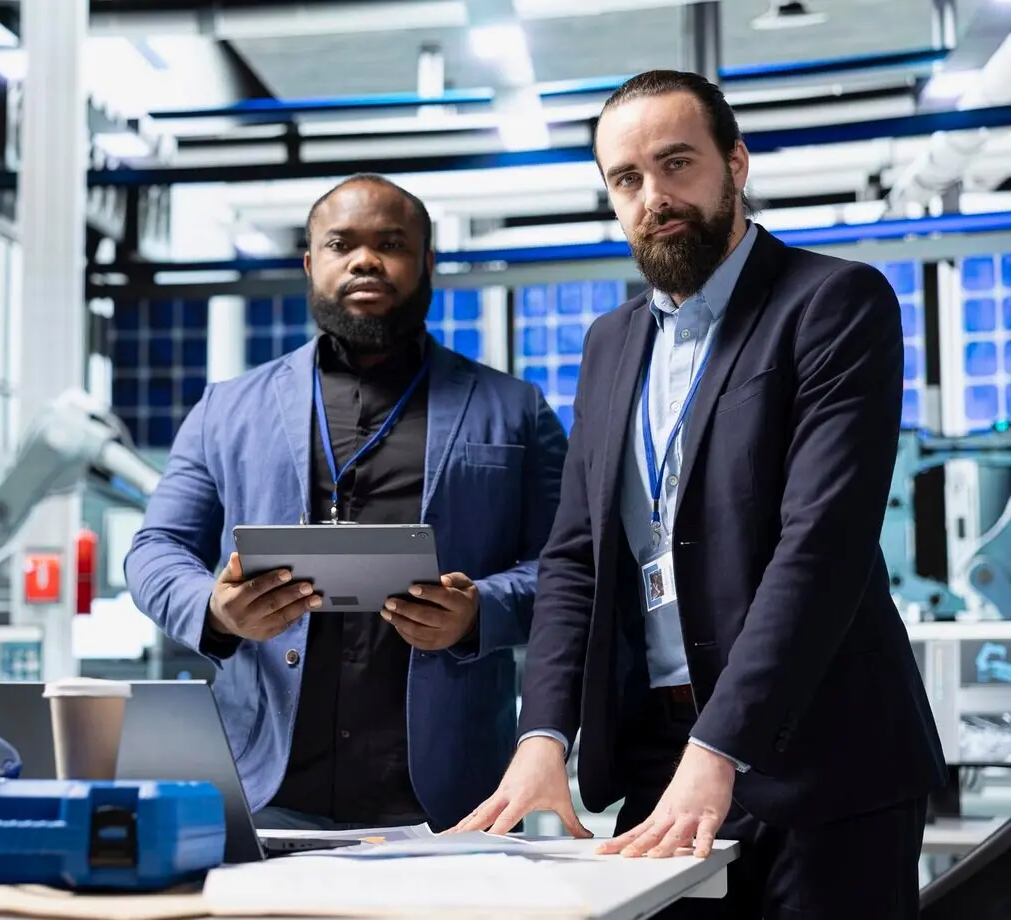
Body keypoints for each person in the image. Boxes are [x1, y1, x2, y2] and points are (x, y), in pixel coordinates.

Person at [453, 70, 945, 917]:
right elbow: (576, 557)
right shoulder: (610, 344)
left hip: (822, 761)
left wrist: (720, 744)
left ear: (737, 164)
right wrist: (543, 735)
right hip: (657, 757)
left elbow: (819, 546)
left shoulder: (832, 302)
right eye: (627, 179)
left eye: (677, 164)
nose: (654, 196)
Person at [125, 173, 567, 832]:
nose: (366, 260)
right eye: (342, 245)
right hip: (262, 786)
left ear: (425, 264)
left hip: (453, 800)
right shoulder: (227, 408)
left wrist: (479, 613)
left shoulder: (514, 409)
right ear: (311, 263)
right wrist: (215, 610)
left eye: (391, 243)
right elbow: (155, 550)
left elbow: (567, 567)